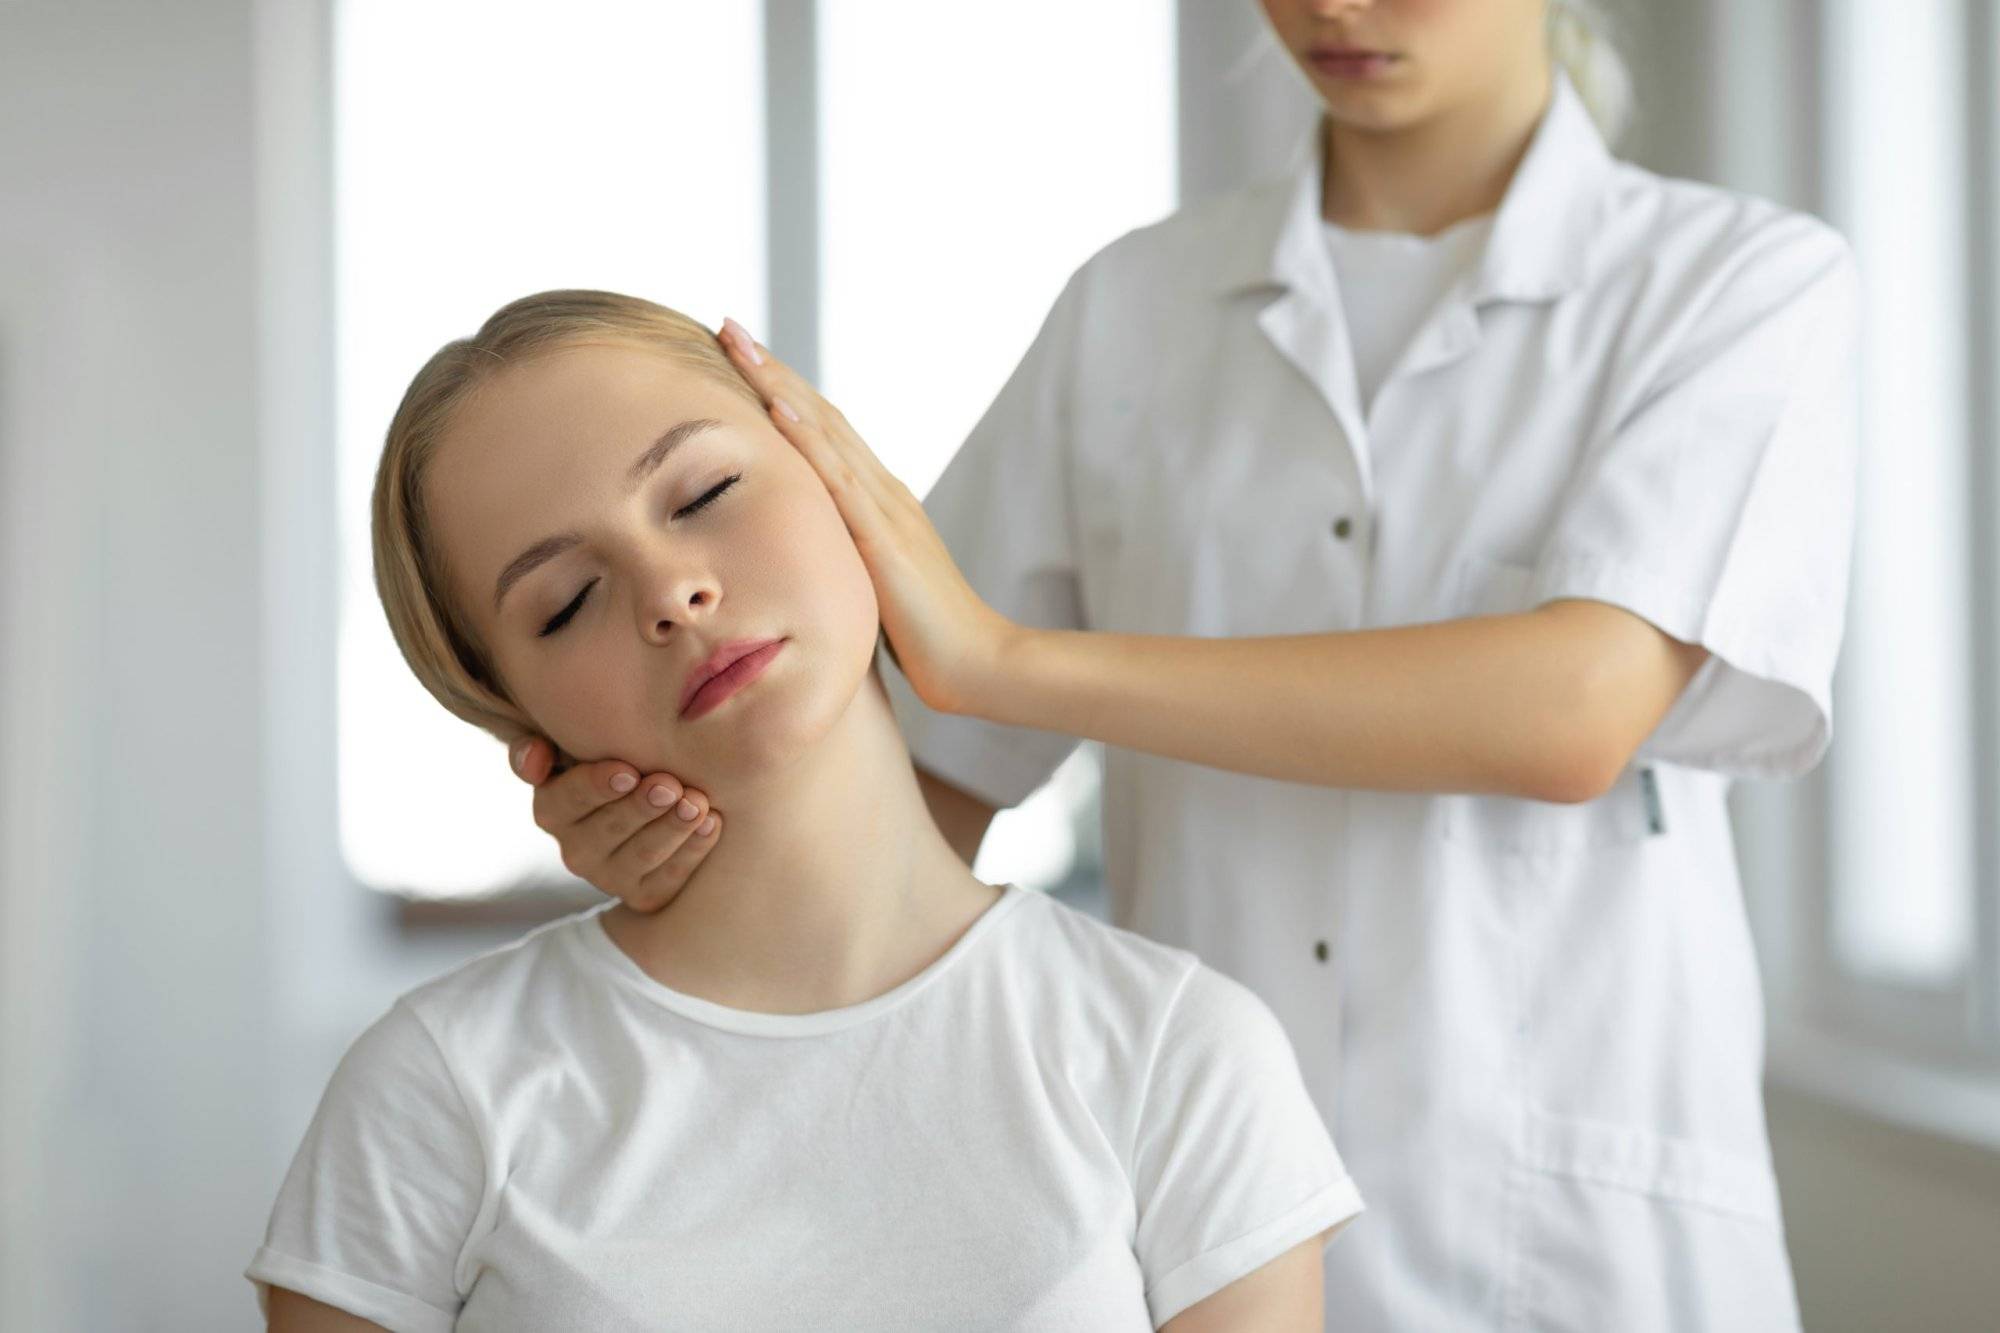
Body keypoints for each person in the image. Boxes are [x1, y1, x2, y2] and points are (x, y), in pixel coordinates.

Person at [515, 1, 1860, 1327]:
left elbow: (1572, 711)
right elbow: (903, 792)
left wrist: (1006, 661)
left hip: (1581, 1256)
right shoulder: (1132, 309)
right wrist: (681, 848)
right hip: (1192, 1235)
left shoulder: (1735, 282)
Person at [246, 291, 1363, 1332]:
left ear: (838, 472)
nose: (670, 592)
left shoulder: (1178, 1056)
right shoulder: (434, 1090)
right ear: (514, 718)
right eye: (567, 601)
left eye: (701, 495)